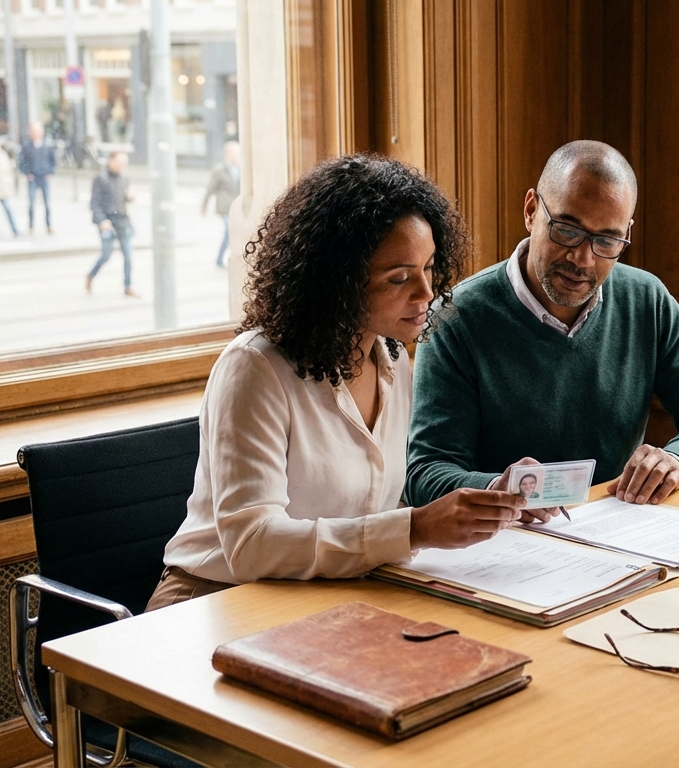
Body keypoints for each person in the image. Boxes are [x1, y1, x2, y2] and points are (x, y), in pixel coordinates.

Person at [148, 154, 526, 611]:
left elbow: (376, 504)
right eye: (399, 278)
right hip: (216, 601)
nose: (427, 293)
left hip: (327, 595)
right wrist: (416, 528)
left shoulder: (390, 357)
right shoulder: (255, 368)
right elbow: (251, 546)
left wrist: (482, 499)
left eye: (429, 269)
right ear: (338, 283)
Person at [405, 140, 679, 518]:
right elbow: (425, 473)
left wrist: (677, 460)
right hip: (503, 544)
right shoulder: (454, 317)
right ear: (532, 210)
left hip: (619, 536)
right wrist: (497, 489)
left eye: (607, 240)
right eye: (567, 230)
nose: (582, 259)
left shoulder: (646, 299)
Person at [86, 152, 138, 296]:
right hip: (107, 221)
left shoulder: (124, 179)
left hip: (122, 220)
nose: (122, 166)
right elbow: (95, 203)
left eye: (124, 164)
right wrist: (102, 220)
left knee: (128, 254)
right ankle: (91, 275)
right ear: (111, 161)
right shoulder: (101, 179)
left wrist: (130, 197)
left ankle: (127, 286)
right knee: (106, 254)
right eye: (120, 163)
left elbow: (123, 198)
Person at [203, 140, 241, 267]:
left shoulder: (240, 169)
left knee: (231, 232)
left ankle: (221, 258)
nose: (237, 156)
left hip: (236, 206)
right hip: (224, 206)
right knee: (229, 231)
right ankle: (234, 257)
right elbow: (210, 189)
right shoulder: (219, 170)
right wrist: (204, 205)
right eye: (235, 153)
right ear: (228, 154)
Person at [18, 121, 56, 235]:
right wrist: (27, 172)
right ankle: (31, 226)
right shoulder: (27, 147)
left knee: (47, 203)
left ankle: (49, 225)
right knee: (31, 203)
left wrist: (50, 172)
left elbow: (53, 160)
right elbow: (22, 162)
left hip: (44, 177)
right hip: (33, 178)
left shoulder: (47, 146)